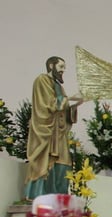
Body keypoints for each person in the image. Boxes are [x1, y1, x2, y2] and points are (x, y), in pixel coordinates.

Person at [24, 56, 83, 199]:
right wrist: (70, 98)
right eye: (61, 66)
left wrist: (75, 105)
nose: (63, 70)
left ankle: (58, 196)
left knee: (64, 163)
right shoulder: (42, 80)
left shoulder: (59, 86)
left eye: (64, 67)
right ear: (51, 65)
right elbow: (47, 104)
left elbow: (63, 109)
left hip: (59, 132)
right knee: (44, 163)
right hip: (47, 131)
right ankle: (38, 195)